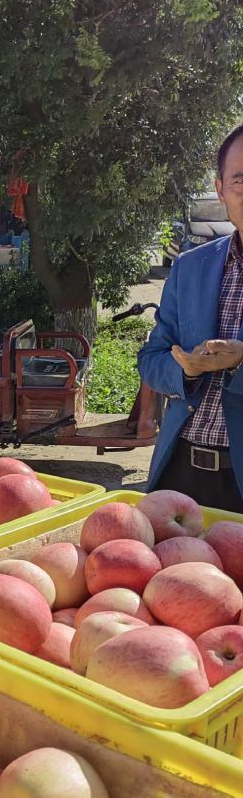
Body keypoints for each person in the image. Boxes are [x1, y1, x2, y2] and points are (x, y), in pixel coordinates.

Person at [138, 124, 243, 511]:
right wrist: (186, 370)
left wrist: (241, 360)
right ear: (220, 190)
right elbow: (151, 360)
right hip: (180, 472)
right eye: (240, 178)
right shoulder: (190, 266)